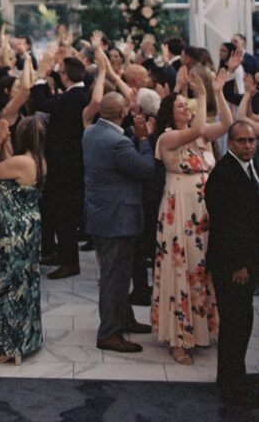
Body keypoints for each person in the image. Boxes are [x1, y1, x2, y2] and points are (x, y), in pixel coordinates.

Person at [151, 69, 233, 365]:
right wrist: (201, 94)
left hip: (203, 208)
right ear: (170, 113)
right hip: (179, 208)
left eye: (188, 104)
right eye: (180, 105)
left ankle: (201, 329)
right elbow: (197, 131)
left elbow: (227, 124)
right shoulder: (168, 137)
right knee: (180, 266)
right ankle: (178, 338)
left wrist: (219, 92)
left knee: (202, 266)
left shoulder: (199, 133)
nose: (186, 107)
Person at [82, 93, 155, 353]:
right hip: (118, 217)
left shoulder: (91, 132)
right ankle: (109, 333)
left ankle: (123, 318)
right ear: (123, 112)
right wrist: (144, 138)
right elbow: (146, 169)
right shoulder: (116, 142)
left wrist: (133, 137)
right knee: (115, 276)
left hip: (101, 213)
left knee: (117, 273)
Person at [0, 115, 46, 364]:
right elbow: (10, 165)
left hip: (13, 232)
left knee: (8, 285)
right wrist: (6, 143)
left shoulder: (22, 162)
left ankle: (10, 345)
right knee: (24, 282)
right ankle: (24, 338)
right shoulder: (37, 160)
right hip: (29, 228)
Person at [205, 120, 259, 408]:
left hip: (245, 262)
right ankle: (232, 386)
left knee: (241, 322)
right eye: (242, 141)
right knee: (235, 325)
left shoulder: (248, 168)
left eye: (252, 140)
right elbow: (227, 225)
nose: (248, 146)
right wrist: (239, 264)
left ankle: (233, 377)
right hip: (232, 265)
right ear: (231, 142)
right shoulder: (224, 174)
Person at [37, 56, 90, 278]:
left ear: (65, 76)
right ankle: (63, 252)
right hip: (67, 161)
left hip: (67, 164)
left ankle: (70, 261)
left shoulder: (74, 97)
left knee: (65, 211)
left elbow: (43, 104)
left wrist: (41, 77)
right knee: (58, 210)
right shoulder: (78, 93)